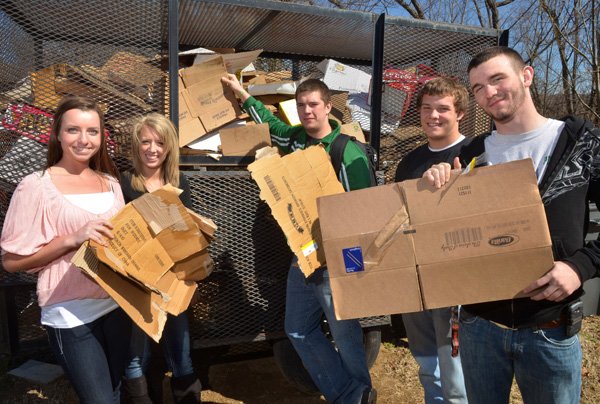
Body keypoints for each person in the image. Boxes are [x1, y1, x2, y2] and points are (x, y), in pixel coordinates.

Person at [422, 46, 600, 404]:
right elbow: (448, 236)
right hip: (480, 327)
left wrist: (580, 267)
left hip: (549, 327)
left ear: (527, 76)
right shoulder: (473, 155)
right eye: (478, 87)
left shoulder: (580, 143)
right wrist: (436, 191)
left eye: (497, 79)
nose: (489, 92)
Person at [221, 73, 376, 404]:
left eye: (313, 105)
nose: (307, 111)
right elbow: (270, 124)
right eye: (302, 105)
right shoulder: (295, 139)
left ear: (327, 107)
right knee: (297, 328)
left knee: (345, 333)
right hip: (304, 256)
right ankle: (350, 395)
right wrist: (240, 92)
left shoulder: (346, 151)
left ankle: (360, 394)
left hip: (338, 257)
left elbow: (366, 209)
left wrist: (354, 267)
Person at [0, 95, 131, 403]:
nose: (84, 140)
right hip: (70, 312)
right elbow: (10, 262)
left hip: (117, 304)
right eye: (74, 130)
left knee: (115, 390)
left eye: (93, 131)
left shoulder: (110, 182)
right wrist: (69, 240)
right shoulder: (35, 185)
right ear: (57, 134)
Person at [394, 77, 469, 404]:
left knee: (456, 374)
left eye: (443, 109)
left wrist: (460, 180)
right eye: (427, 108)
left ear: (460, 113)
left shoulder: (475, 152)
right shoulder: (409, 162)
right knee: (427, 364)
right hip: (415, 276)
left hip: (456, 280)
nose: (433, 116)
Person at [119, 113, 202, 404]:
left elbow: (188, 233)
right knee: (136, 353)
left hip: (173, 279)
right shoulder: (124, 183)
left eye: (160, 142)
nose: (152, 149)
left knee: (180, 349)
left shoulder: (180, 184)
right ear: (136, 145)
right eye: (146, 141)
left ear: (169, 147)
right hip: (137, 282)